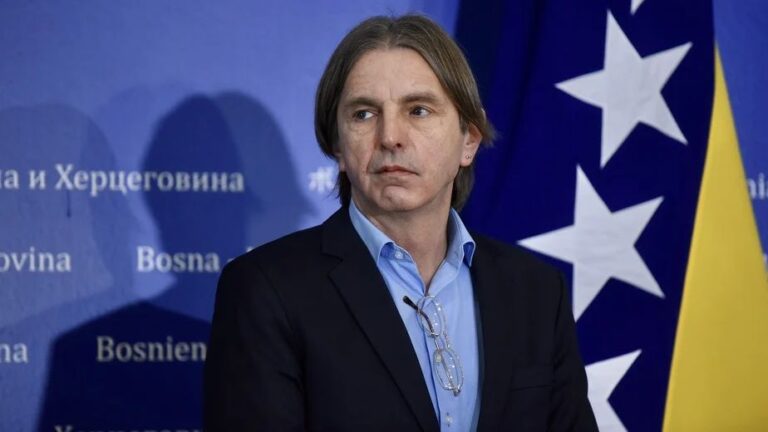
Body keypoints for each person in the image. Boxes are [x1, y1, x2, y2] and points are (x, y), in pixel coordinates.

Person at [203, 14, 597, 432]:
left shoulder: (537, 292)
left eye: (419, 110)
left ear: (469, 139)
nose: (390, 136)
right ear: (338, 146)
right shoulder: (265, 290)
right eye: (364, 114)